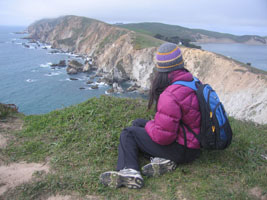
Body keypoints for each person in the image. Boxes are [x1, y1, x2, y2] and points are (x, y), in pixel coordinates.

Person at [100, 42, 201, 189]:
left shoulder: (171, 94)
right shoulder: (192, 81)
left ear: (161, 68)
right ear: (180, 63)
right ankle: (163, 161)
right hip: (194, 145)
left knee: (128, 133)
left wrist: (150, 125)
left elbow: (163, 137)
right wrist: (148, 124)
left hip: (183, 149)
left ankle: (130, 171)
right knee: (138, 123)